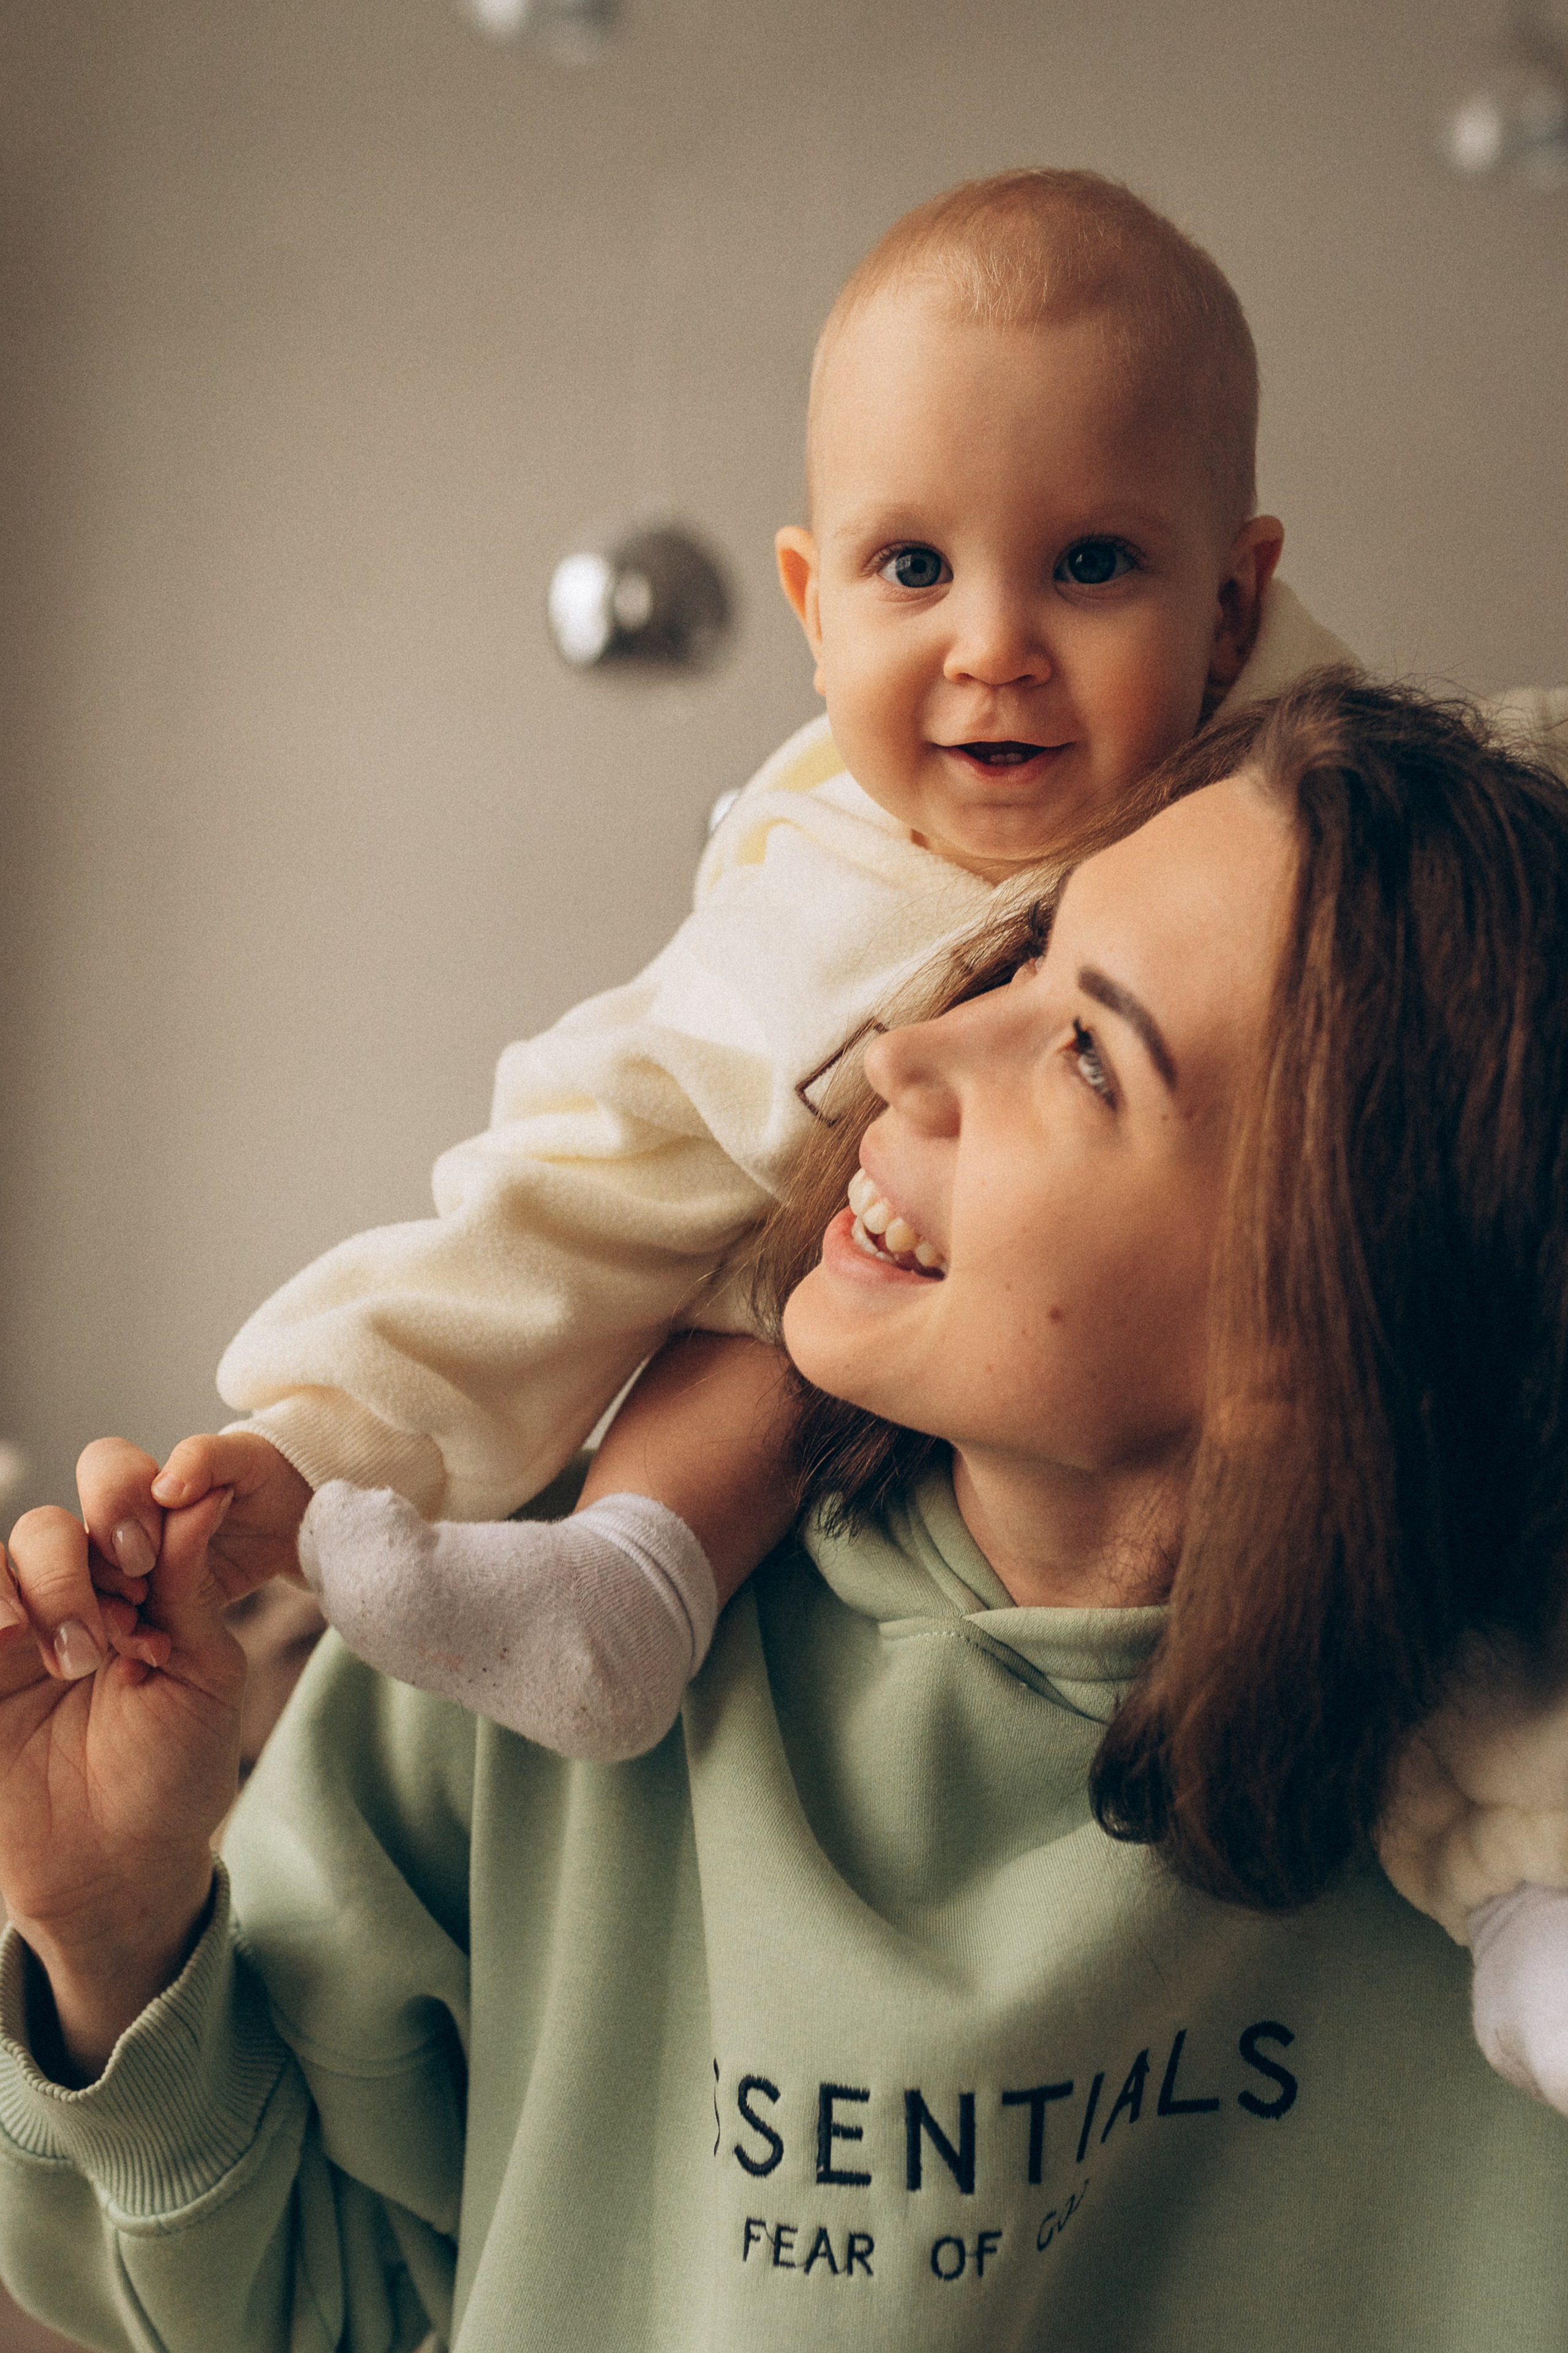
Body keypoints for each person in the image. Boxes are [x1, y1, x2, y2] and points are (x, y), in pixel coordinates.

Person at [7, 673, 1568, 2351]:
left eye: (1087, 1053)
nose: (906, 1041)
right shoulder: (520, 1611)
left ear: (1320, 1329)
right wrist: (110, 1927)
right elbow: (304, 2309)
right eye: (1029, 950)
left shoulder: (1510, 1867)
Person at [43, 165, 1371, 1757]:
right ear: (813, 606)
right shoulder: (803, 908)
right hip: (832, 1327)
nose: (993, 644)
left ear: (1234, 603)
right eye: (915, 568)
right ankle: (628, 1586)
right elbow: (567, 1194)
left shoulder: (1309, 819)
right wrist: (324, 1448)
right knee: (742, 1320)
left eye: (1091, 563)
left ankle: (1518, 1873)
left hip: (1233, 1432)